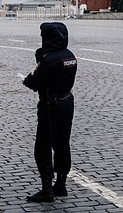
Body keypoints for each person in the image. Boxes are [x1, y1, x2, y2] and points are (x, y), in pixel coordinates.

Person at [22, 22, 77, 202]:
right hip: (67, 101)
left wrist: (28, 78)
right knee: (62, 144)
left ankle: (47, 189)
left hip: (50, 105)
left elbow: (34, 82)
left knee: (43, 147)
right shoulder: (70, 56)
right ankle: (61, 184)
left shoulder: (49, 59)